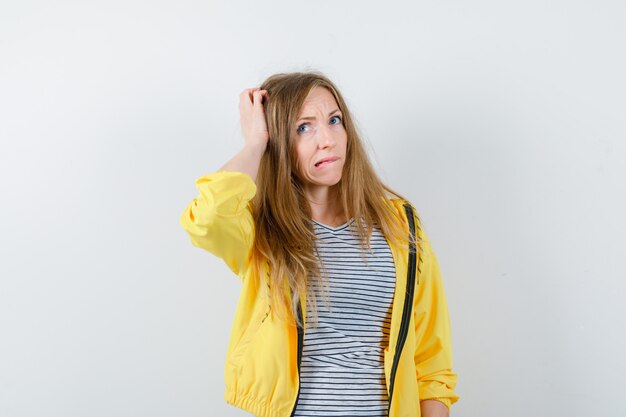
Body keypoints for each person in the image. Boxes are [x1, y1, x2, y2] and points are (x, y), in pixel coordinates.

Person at [179, 71, 459, 417]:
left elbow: (431, 359)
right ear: (277, 142)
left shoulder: (400, 223)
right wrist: (254, 144)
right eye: (303, 127)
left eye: (334, 120)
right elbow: (206, 218)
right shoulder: (261, 230)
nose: (327, 139)